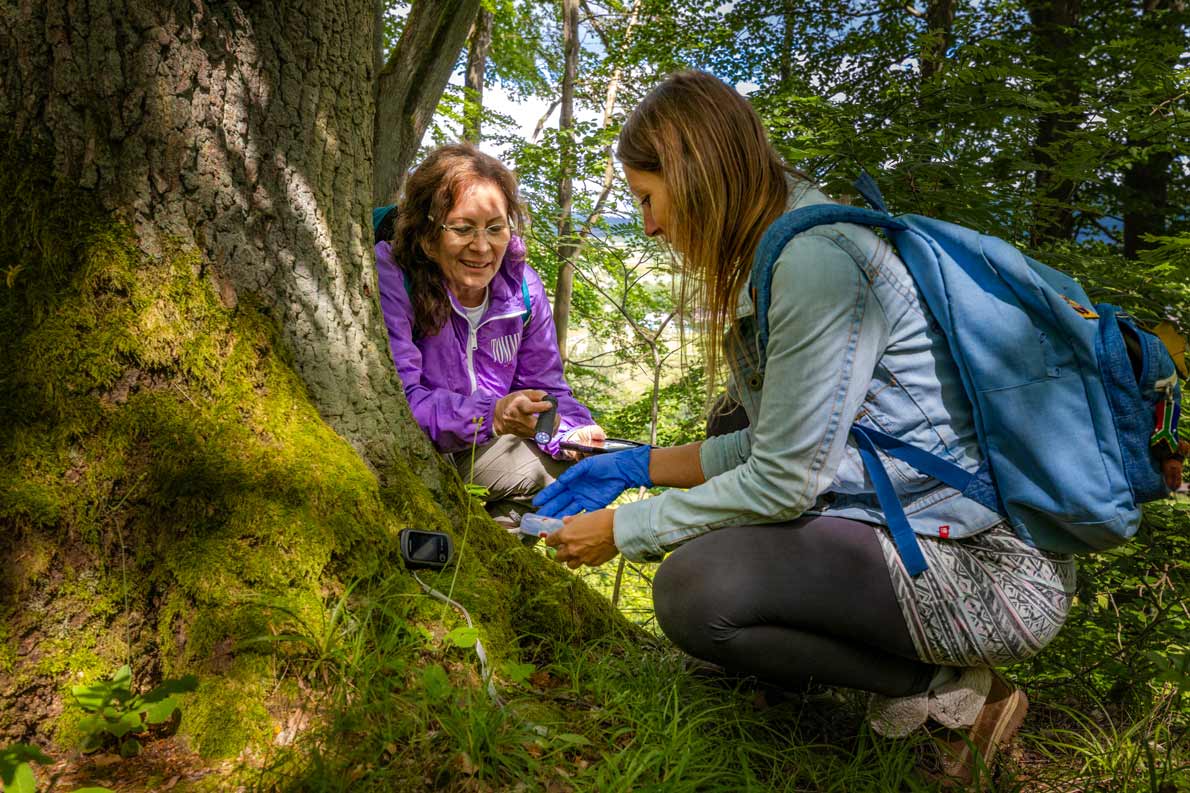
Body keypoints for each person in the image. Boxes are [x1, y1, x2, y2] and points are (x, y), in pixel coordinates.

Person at [532, 71, 1075, 784]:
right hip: (926, 536)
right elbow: (769, 441)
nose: (651, 225)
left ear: (693, 176)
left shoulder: (814, 265)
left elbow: (786, 479)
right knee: (716, 506)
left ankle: (955, 695)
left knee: (695, 589)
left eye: (648, 199)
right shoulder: (785, 247)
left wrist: (622, 529)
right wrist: (633, 466)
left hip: (991, 571)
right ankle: (858, 682)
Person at [375, 143, 604, 522]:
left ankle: (486, 561)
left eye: (495, 229)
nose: (482, 248)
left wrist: (575, 432)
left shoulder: (521, 289)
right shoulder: (394, 277)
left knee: (578, 476)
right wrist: (492, 416)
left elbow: (547, 387)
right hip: (414, 444)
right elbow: (398, 401)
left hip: (479, 446)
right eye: (463, 229)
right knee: (551, 478)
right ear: (428, 236)